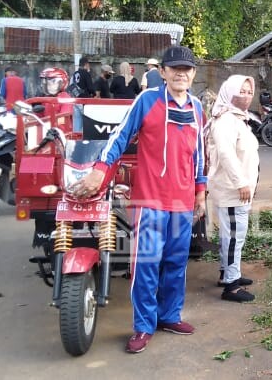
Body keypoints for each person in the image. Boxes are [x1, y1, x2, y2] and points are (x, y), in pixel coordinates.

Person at [71, 46, 207, 354]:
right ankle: (144, 326)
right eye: (174, 68)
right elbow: (119, 138)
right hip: (149, 202)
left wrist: (201, 192)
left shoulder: (197, 107)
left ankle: (169, 316)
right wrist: (99, 172)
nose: (181, 73)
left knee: (176, 263)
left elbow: (199, 154)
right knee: (146, 265)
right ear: (163, 72)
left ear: (194, 73)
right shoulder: (146, 100)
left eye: (187, 69)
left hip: (183, 202)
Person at [205, 75, 259, 302]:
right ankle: (231, 286)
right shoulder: (227, 120)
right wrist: (241, 183)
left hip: (238, 190)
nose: (246, 96)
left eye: (249, 91)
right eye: (241, 91)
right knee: (234, 237)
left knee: (233, 235)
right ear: (229, 93)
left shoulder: (238, 119)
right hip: (232, 190)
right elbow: (226, 155)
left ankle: (228, 272)